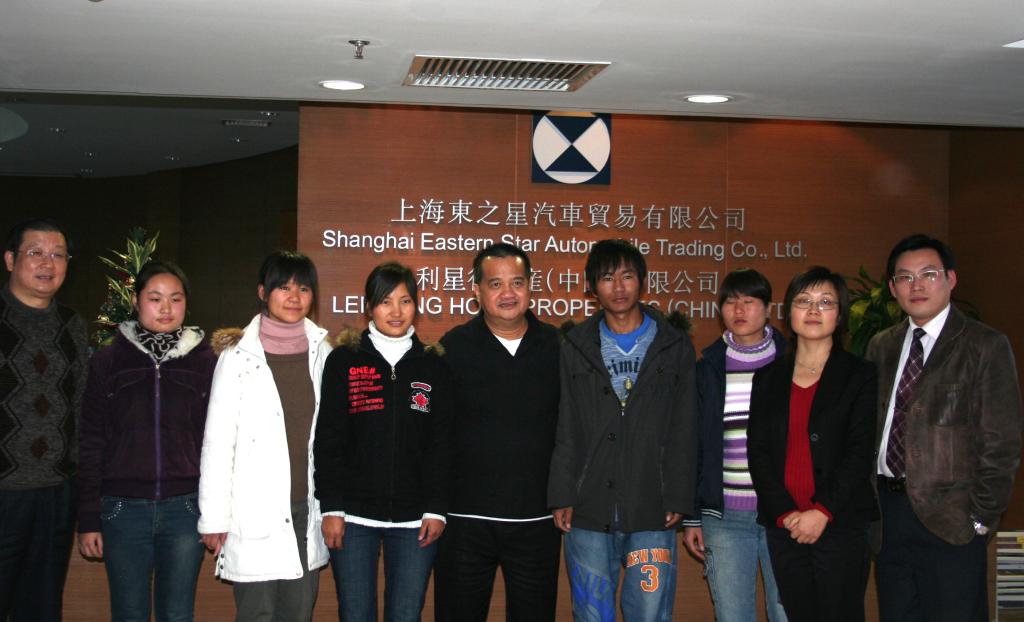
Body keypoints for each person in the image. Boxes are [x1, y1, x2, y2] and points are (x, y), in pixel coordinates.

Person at [867, 234, 1023, 622]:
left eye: (928, 274)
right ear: (892, 288)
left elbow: (1001, 442)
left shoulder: (984, 345)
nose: (916, 285)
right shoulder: (881, 346)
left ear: (951, 279)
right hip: (889, 515)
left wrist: (979, 520)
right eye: (904, 277)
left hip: (952, 519)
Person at [548, 238, 697, 622]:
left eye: (627, 276)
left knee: (649, 613)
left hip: (653, 508)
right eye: (607, 278)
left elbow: (685, 427)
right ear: (591, 287)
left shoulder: (673, 344)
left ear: (642, 281)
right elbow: (566, 425)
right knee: (591, 614)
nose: (618, 287)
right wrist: (562, 494)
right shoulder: (575, 345)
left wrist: (679, 495)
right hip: (588, 507)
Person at [77, 260, 216, 621]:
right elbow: (91, 441)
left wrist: (218, 512)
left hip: (185, 508)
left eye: (176, 299)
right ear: (136, 301)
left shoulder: (206, 362)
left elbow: (217, 441)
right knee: (129, 613)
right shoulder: (108, 361)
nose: (166, 308)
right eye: (155, 298)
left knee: (177, 614)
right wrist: (89, 517)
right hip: (123, 509)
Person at [314, 262, 453, 622]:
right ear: (369, 307)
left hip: (415, 519)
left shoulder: (433, 365)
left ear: (416, 307)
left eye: (405, 301)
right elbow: (329, 437)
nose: (396, 311)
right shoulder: (344, 360)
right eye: (385, 301)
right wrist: (331, 507)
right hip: (353, 515)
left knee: (406, 614)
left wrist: (436, 508)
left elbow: (442, 442)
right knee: (355, 613)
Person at [198, 251, 331, 622]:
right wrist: (214, 518)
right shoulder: (237, 356)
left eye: (303, 288)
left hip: (306, 508)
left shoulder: (323, 352)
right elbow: (218, 442)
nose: (294, 297)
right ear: (262, 292)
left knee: (298, 613)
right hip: (253, 510)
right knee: (258, 613)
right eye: (283, 287)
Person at [434, 243, 562, 622]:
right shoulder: (453, 347)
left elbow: (573, 430)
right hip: (465, 522)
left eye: (517, 283)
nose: (508, 293)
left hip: (537, 521)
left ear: (531, 286)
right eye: (495, 284)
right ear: (476, 290)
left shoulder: (558, 347)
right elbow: (437, 436)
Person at [746, 266, 878, 622]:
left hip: (841, 524)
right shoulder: (767, 378)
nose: (814, 310)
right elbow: (758, 452)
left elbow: (859, 452)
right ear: (789, 312)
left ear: (840, 314)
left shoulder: (860, 375)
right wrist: (786, 513)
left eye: (826, 302)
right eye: (804, 301)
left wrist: (822, 512)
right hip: (785, 527)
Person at [683, 268, 788, 622]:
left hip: (785, 513)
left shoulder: (793, 361)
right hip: (725, 516)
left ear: (768, 308)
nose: (739, 309)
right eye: (730, 302)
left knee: (786, 611)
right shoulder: (708, 368)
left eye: (749, 300)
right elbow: (695, 445)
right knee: (732, 615)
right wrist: (693, 516)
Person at [0, 219, 89, 621]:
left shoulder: (72, 324)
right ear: (10, 260)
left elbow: (81, 405)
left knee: (42, 604)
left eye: (58, 254)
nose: (48, 263)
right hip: (4, 492)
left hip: (56, 493)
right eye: (35, 252)